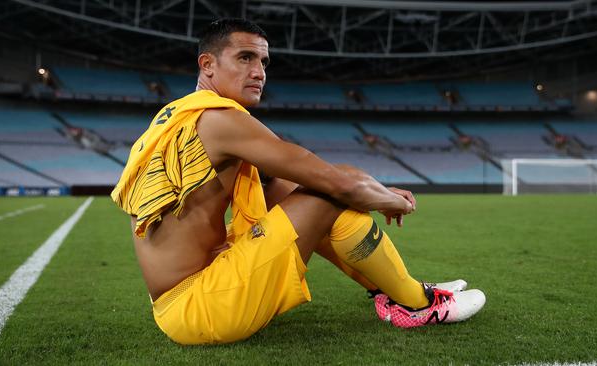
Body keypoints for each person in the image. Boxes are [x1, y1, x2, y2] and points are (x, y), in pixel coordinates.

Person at [111, 18, 485, 345]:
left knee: (279, 188)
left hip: (182, 302)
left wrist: (371, 189)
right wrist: (388, 198)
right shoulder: (219, 120)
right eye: (245, 58)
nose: (259, 71)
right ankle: (417, 305)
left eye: (263, 61)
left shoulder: (177, 114)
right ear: (207, 65)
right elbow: (335, 181)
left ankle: (394, 291)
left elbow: (293, 181)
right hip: (199, 306)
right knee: (327, 195)